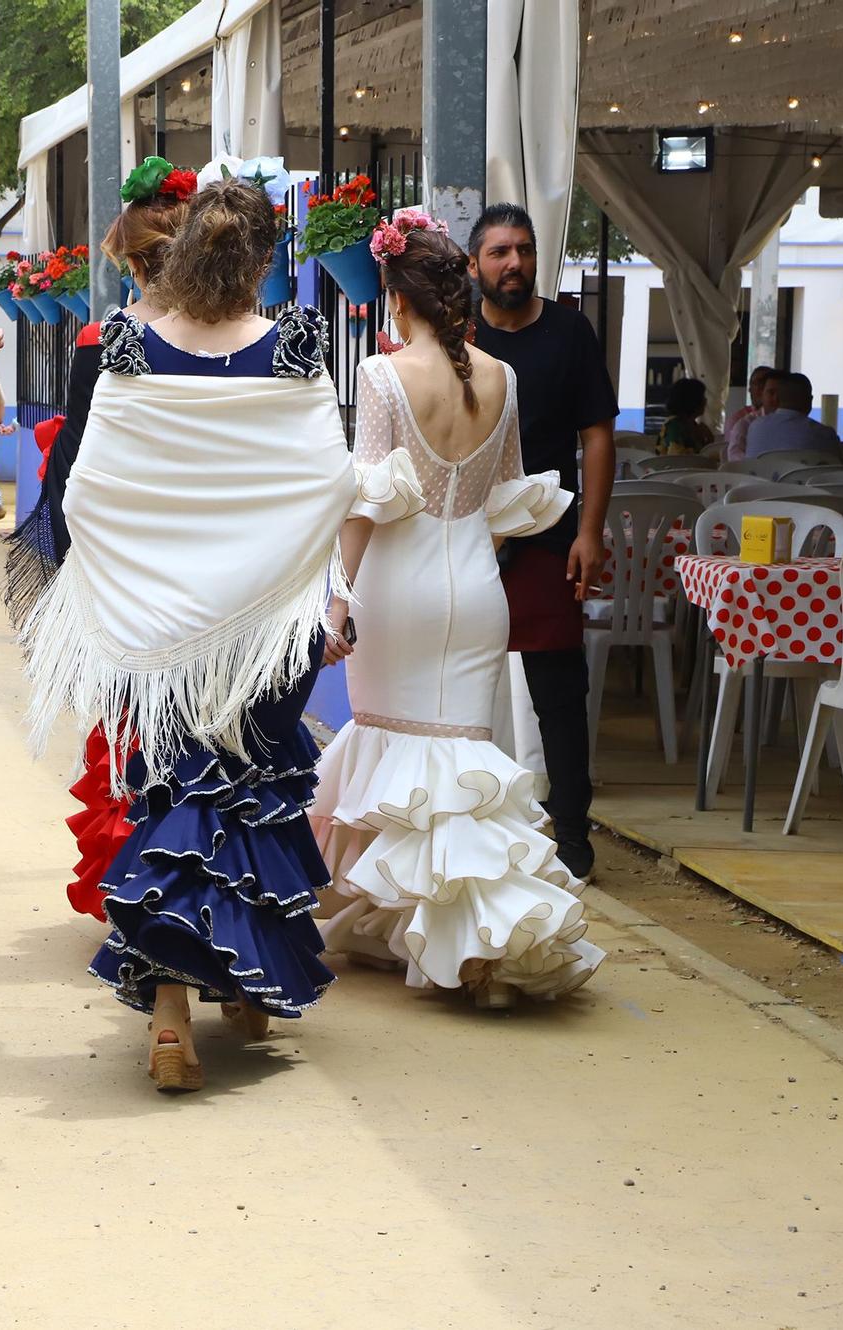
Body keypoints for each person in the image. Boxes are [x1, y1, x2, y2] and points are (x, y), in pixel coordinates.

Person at [18, 173, 353, 1092]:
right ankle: (237, 986)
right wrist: (291, 585)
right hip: (260, 633)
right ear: (262, 263)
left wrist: (137, 580)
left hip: (155, 634)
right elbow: (327, 486)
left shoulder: (124, 346)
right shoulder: (295, 348)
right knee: (249, 795)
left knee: (171, 802)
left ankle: (180, 1007)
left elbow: (84, 492)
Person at [311, 210, 604, 1008]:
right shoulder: (502, 378)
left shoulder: (381, 377)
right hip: (479, 589)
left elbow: (366, 503)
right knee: (464, 768)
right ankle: (471, 945)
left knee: (392, 753)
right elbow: (508, 499)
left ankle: (455, 946)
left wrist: (338, 600)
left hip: (399, 589)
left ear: (396, 300)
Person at [468, 201, 616, 880]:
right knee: (465, 688)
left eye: (523, 250)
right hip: (467, 538)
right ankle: (468, 823)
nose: (514, 263)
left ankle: (574, 832)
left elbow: (597, 435)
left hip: (553, 536)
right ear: (474, 265)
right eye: (499, 252)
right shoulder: (456, 336)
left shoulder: (569, 332)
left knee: (559, 689)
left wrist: (590, 531)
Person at [7, 156, 197, 621]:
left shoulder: (105, 338)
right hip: (203, 533)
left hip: (124, 540)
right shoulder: (234, 339)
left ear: (133, 263)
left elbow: (74, 456)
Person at [744, 371, 841, 458]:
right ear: (809, 400)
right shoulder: (825, 434)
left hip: (759, 478)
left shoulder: (755, 427)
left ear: (778, 398)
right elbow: (837, 471)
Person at [722, 364, 773, 460]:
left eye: (765, 383)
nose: (762, 387)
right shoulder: (738, 421)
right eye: (757, 383)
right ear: (750, 389)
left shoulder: (784, 421)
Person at [656, 377, 715, 455]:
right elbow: (678, 459)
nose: (705, 401)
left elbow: (700, 455)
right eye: (702, 397)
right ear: (692, 401)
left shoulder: (692, 424)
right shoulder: (674, 426)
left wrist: (709, 440)